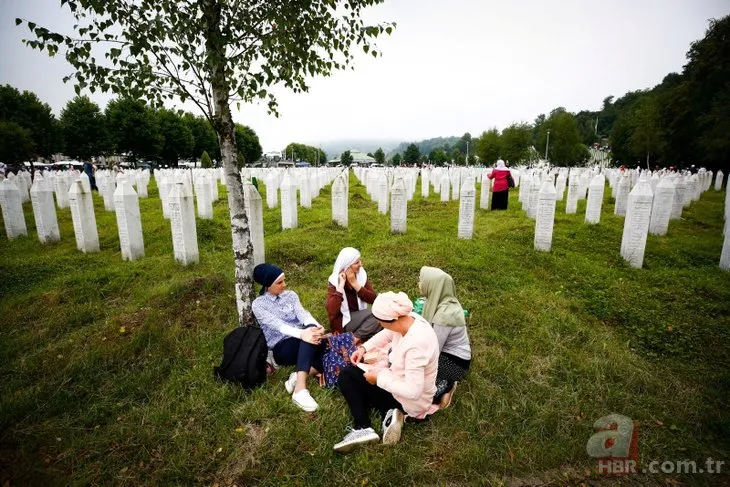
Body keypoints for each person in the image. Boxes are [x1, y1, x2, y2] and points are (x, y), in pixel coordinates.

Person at [333, 292, 439, 453]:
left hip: (410, 401)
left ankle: (363, 426)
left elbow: (413, 390)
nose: (378, 323)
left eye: (379, 321)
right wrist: (363, 348)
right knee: (358, 373)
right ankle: (390, 415)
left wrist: (378, 378)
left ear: (390, 320)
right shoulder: (409, 319)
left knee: (347, 375)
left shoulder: (416, 345)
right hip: (402, 387)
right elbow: (388, 333)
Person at [251, 263, 326, 412]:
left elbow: (302, 314)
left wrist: (316, 326)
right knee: (313, 341)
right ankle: (300, 390)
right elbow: (278, 325)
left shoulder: (291, 296)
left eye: (284, 280)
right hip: (282, 347)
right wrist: (303, 334)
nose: (284, 285)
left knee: (322, 342)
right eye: (279, 283)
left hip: (302, 337)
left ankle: (297, 377)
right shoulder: (259, 305)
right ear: (267, 285)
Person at [418, 266, 471, 408]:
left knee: (421, 393)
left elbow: (433, 349)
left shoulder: (446, 315)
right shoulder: (438, 300)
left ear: (433, 285)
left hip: (455, 363)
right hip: (445, 355)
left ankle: (449, 384)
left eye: (422, 281)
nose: (419, 284)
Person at [325, 247, 379, 341]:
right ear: (347, 266)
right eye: (357, 263)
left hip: (360, 316)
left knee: (385, 317)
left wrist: (355, 284)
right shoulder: (335, 281)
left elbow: (373, 299)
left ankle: (362, 334)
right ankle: (355, 338)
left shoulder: (361, 275)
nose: (360, 265)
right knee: (376, 315)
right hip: (343, 322)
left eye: (360, 261)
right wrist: (341, 286)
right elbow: (331, 311)